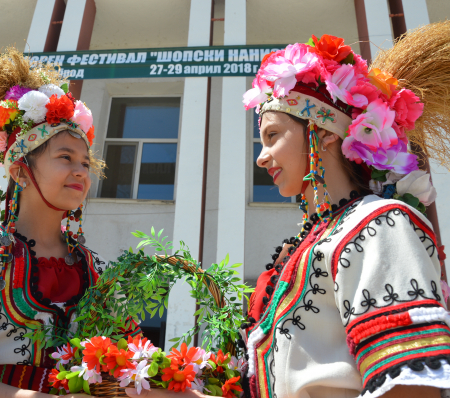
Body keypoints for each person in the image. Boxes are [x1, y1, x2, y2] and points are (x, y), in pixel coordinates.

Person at [127, 23, 450, 398]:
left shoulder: (378, 224)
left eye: (272, 136)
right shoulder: (310, 242)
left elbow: (410, 389)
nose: (262, 158)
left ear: (324, 131)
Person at [0, 47, 140, 398]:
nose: (81, 171)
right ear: (20, 171)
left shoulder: (98, 271)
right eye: (65, 157)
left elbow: (131, 373)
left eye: (85, 163)